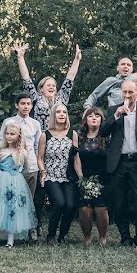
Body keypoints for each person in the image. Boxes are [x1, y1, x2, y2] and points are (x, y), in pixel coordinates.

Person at [101, 80, 137, 249]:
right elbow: (103, 132)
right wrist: (116, 115)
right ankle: (125, 236)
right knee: (119, 201)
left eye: (130, 92)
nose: (127, 95)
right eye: (124, 92)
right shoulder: (113, 110)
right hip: (118, 163)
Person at [38, 104, 81, 245]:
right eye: (58, 112)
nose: (61, 114)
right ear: (53, 115)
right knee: (59, 203)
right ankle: (51, 235)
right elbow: (40, 157)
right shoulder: (45, 134)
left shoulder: (72, 134)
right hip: (51, 175)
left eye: (64, 112)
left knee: (70, 206)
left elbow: (76, 157)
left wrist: (81, 177)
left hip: (67, 176)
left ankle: (62, 235)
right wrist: (43, 171)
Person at [12, 42, 81, 131]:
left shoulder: (61, 98)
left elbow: (70, 78)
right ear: (41, 89)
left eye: (53, 86)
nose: (51, 87)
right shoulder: (35, 98)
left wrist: (77, 59)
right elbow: (26, 78)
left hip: (57, 138)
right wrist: (20, 58)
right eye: (48, 85)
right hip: (39, 138)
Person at [0, 92, 41, 213]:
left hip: (31, 166)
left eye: (28, 104)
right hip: (11, 167)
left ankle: (27, 228)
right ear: (17, 105)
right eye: (23, 103)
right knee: (10, 198)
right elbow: (2, 143)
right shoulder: (8, 122)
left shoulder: (35, 124)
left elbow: (37, 146)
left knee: (27, 199)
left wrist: (38, 163)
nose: (26, 106)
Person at [77, 108, 110, 245]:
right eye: (90, 116)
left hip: (103, 178)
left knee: (100, 209)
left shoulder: (107, 137)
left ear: (102, 119)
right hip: (84, 178)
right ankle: (87, 237)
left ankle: (102, 237)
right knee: (85, 209)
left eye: (97, 116)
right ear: (86, 120)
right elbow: (75, 157)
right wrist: (81, 178)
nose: (94, 118)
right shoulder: (79, 138)